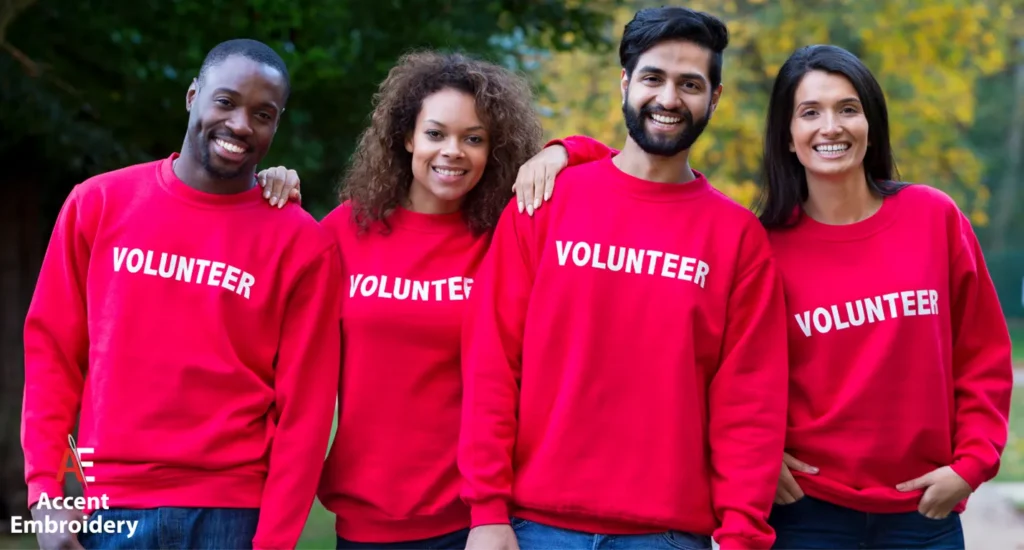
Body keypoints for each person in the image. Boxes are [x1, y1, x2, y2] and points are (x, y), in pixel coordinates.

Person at [527, 43, 1015, 550]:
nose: (831, 127)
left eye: (848, 109)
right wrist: (762, 461)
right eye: (810, 113)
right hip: (805, 512)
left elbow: (982, 355)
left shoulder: (932, 218)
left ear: (871, 124)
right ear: (787, 134)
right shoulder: (761, 247)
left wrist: (972, 464)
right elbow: (730, 380)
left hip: (922, 514)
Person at [458, 7, 789, 550]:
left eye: (690, 84)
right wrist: (487, 512)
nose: (668, 98)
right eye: (653, 78)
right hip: (535, 527)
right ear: (625, 83)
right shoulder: (545, 201)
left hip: (669, 535)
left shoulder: (736, 237)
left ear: (715, 98)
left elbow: (748, 404)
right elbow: (493, 359)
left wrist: (742, 537)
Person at [22, 38, 342, 550]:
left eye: (262, 113)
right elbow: (52, 357)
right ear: (193, 95)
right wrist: (45, 493)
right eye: (226, 101)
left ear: (276, 124)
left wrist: (274, 542)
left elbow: (305, 413)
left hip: (231, 515)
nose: (240, 124)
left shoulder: (301, 243)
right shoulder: (98, 205)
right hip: (108, 506)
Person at [255, 50, 567, 549]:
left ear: (494, 150)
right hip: (364, 521)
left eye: (474, 139)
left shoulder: (504, 238)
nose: (453, 152)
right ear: (406, 137)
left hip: (471, 520)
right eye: (436, 133)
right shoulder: (344, 231)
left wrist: (565, 150)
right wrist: (269, 184)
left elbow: (616, 173)